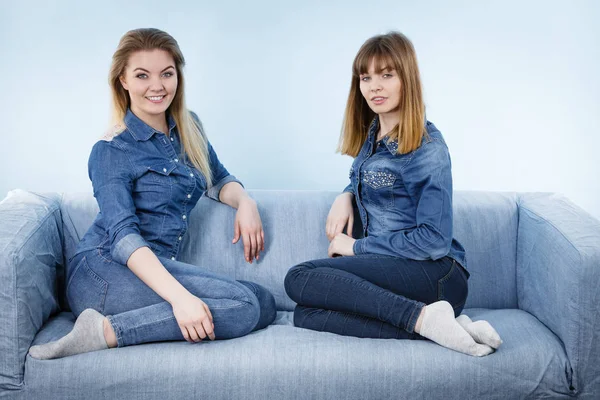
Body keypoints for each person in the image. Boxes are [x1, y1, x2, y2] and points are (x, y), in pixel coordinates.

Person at [29, 28, 276, 360]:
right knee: (243, 307)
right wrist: (181, 300)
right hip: (103, 271)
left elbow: (218, 179)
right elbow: (123, 237)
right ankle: (105, 331)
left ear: (178, 76)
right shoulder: (110, 149)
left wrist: (245, 202)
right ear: (123, 80)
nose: (157, 86)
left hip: (158, 267)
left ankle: (122, 323)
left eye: (167, 74)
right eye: (142, 75)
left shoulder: (190, 126)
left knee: (263, 300)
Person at [284, 32, 502, 356]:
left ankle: (426, 316)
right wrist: (345, 194)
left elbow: (433, 240)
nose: (374, 86)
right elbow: (376, 185)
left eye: (387, 75)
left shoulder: (428, 148)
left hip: (437, 275)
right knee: (307, 314)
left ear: (406, 79)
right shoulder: (373, 135)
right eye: (366, 77)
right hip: (397, 275)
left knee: (299, 278)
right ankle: (442, 327)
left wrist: (356, 247)